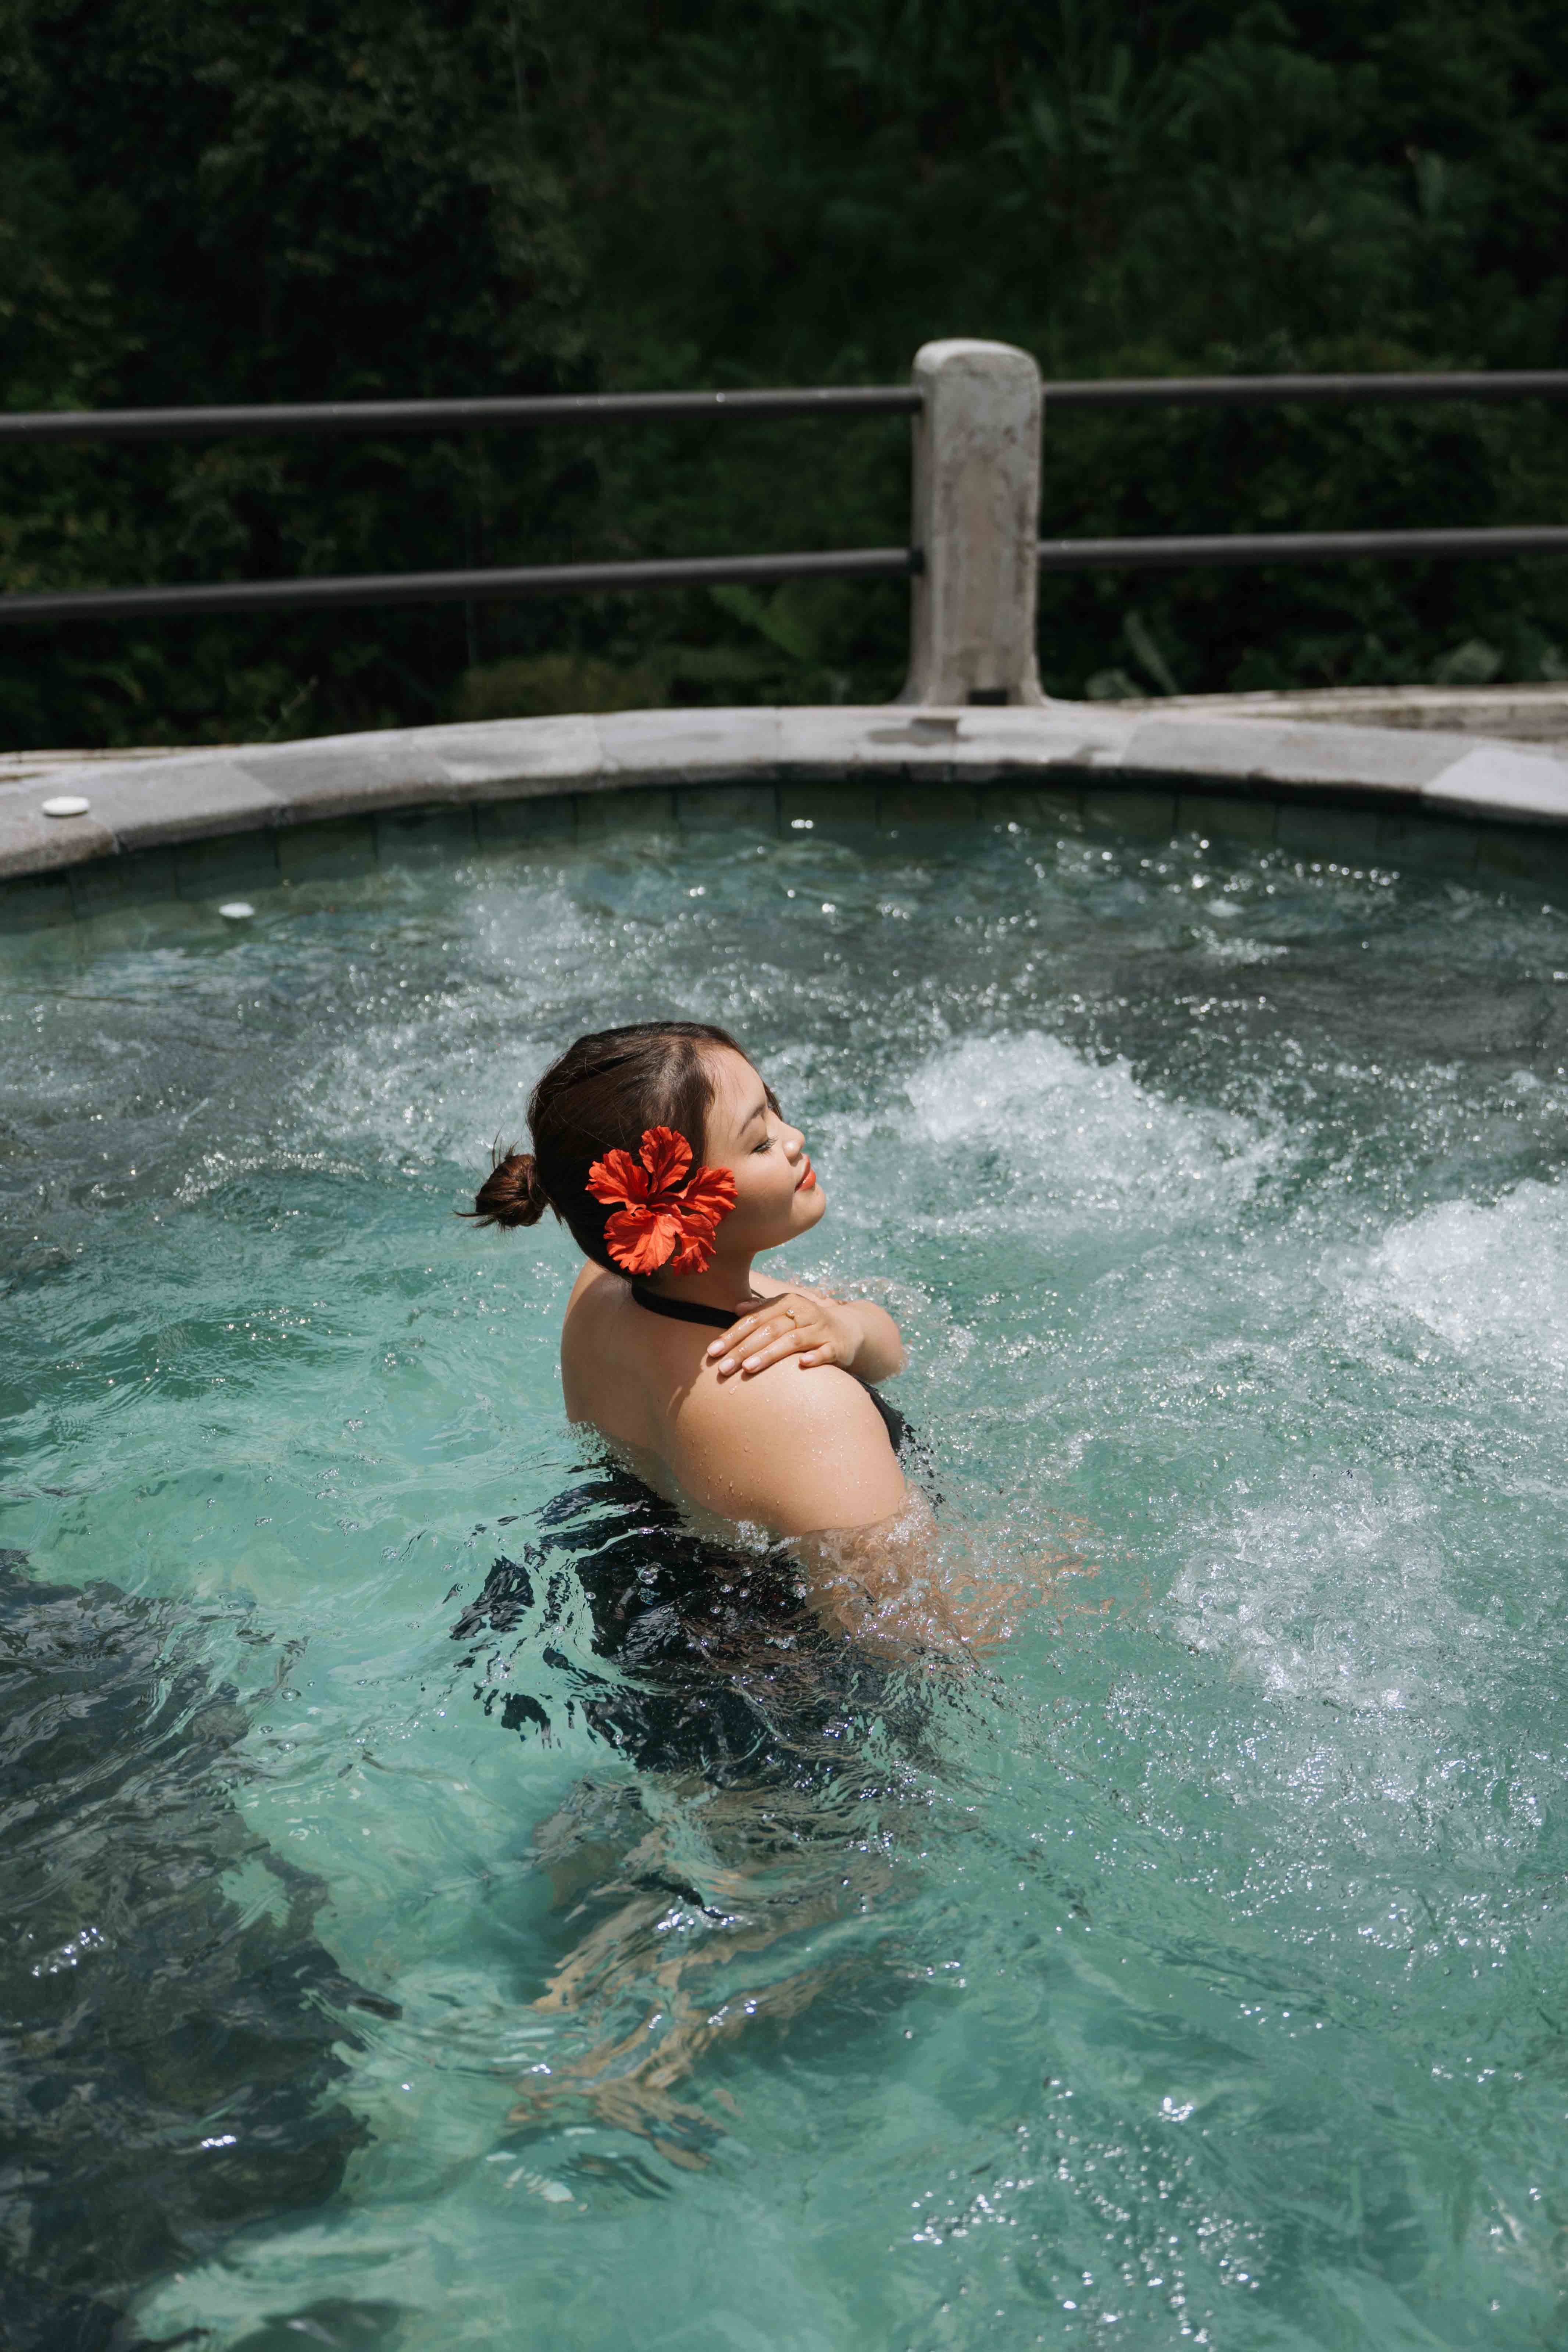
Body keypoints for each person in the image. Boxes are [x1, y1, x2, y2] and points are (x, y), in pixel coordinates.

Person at [465, 1018, 949, 1647]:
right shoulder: (805, 1404)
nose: (795, 1139)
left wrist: (849, 1328)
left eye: (773, 1110)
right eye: (758, 1142)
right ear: (679, 1213)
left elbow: (884, 1346)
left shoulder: (600, 1289)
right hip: (776, 1682)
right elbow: (918, 1639)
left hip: (622, 1607)